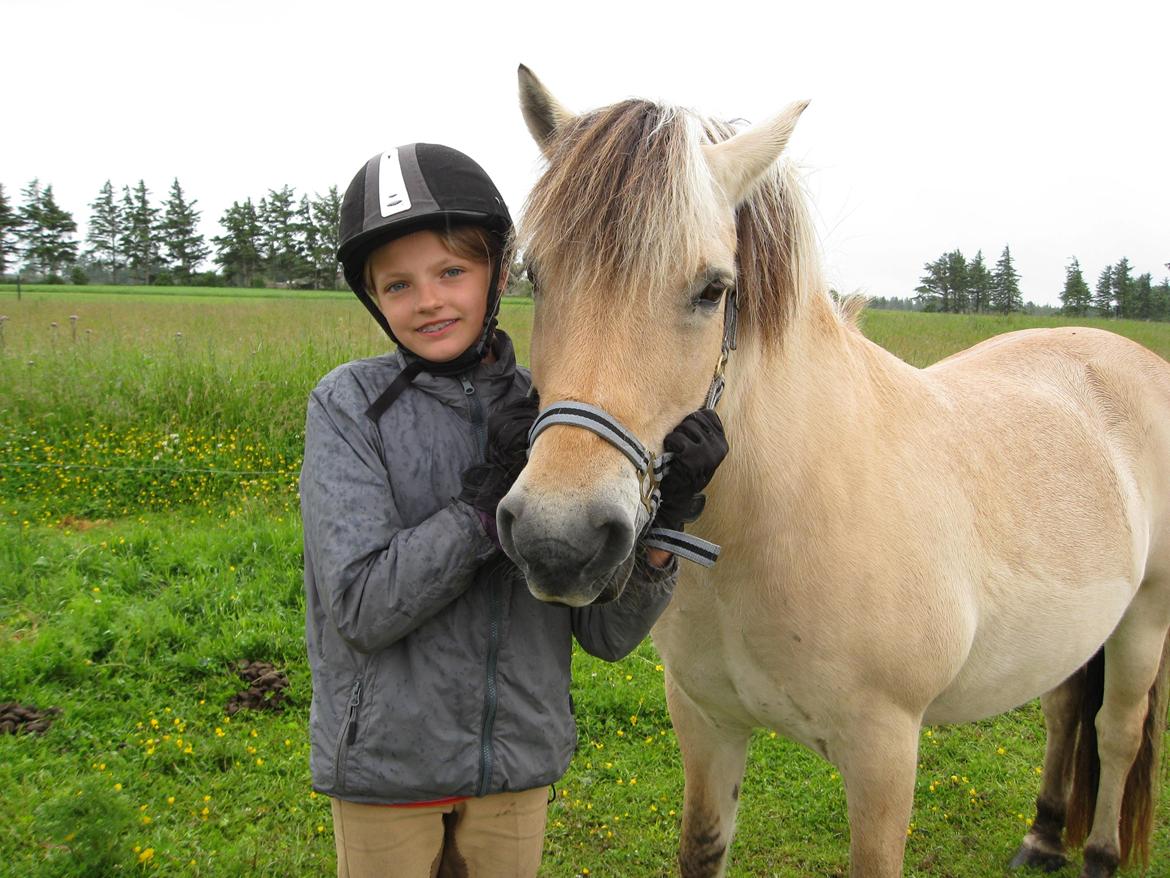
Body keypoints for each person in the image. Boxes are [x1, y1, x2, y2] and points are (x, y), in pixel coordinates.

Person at [301, 142, 728, 878]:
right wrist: (479, 511)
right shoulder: (349, 407)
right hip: (387, 772)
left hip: (514, 773)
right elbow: (361, 606)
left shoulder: (554, 416)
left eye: (451, 272)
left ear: (499, 273)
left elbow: (604, 632)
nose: (429, 300)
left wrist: (665, 527)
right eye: (397, 285)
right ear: (373, 299)